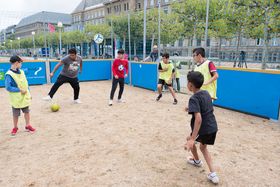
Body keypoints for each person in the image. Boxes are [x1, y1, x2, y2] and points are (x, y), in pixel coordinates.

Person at [185, 71, 219, 184]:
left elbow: (198, 119)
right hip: (213, 127)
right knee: (203, 148)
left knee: (189, 140)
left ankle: (197, 161)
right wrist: (190, 108)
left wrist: (193, 139)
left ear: (190, 85)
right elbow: (203, 106)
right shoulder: (206, 93)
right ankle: (213, 174)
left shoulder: (193, 98)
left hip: (203, 129)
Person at [5, 55, 35, 136]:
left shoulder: (21, 71)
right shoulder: (9, 74)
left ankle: (28, 125)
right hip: (16, 98)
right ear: (16, 63)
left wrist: (29, 93)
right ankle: (15, 127)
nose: (21, 64)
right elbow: (8, 87)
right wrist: (19, 90)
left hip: (24, 96)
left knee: (27, 112)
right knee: (16, 114)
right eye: (20, 62)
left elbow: (25, 83)